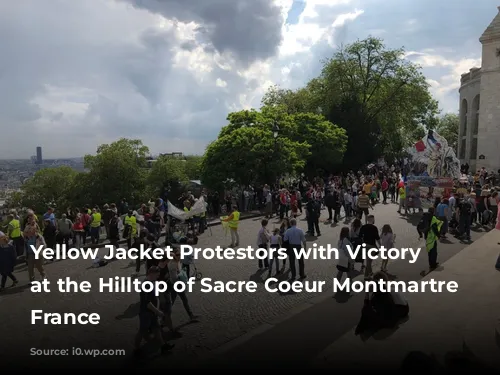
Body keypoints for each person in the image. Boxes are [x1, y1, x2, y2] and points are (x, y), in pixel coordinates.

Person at [134, 266, 174, 357]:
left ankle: (163, 346)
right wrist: (157, 311)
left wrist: (158, 309)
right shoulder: (146, 284)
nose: (158, 276)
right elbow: (147, 303)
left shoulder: (154, 282)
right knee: (142, 331)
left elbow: (156, 297)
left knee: (157, 329)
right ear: (151, 274)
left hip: (153, 312)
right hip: (146, 313)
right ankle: (136, 349)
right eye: (157, 275)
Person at [426, 207, 442, 271]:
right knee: (434, 252)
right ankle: (433, 264)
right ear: (433, 212)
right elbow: (435, 228)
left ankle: (430, 263)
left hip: (427, 237)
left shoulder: (425, 217)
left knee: (429, 251)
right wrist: (439, 236)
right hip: (432, 237)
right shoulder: (433, 218)